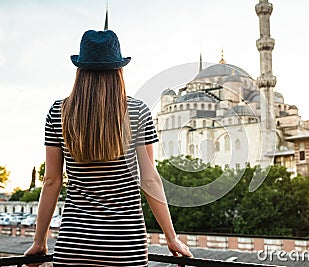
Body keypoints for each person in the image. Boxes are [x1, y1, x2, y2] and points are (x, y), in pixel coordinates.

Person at [24, 29, 192, 266]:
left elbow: (51, 181)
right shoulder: (138, 111)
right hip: (126, 247)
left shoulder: (58, 112)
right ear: (119, 70)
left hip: (74, 245)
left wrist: (39, 241)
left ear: (80, 70)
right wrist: (171, 237)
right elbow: (150, 179)